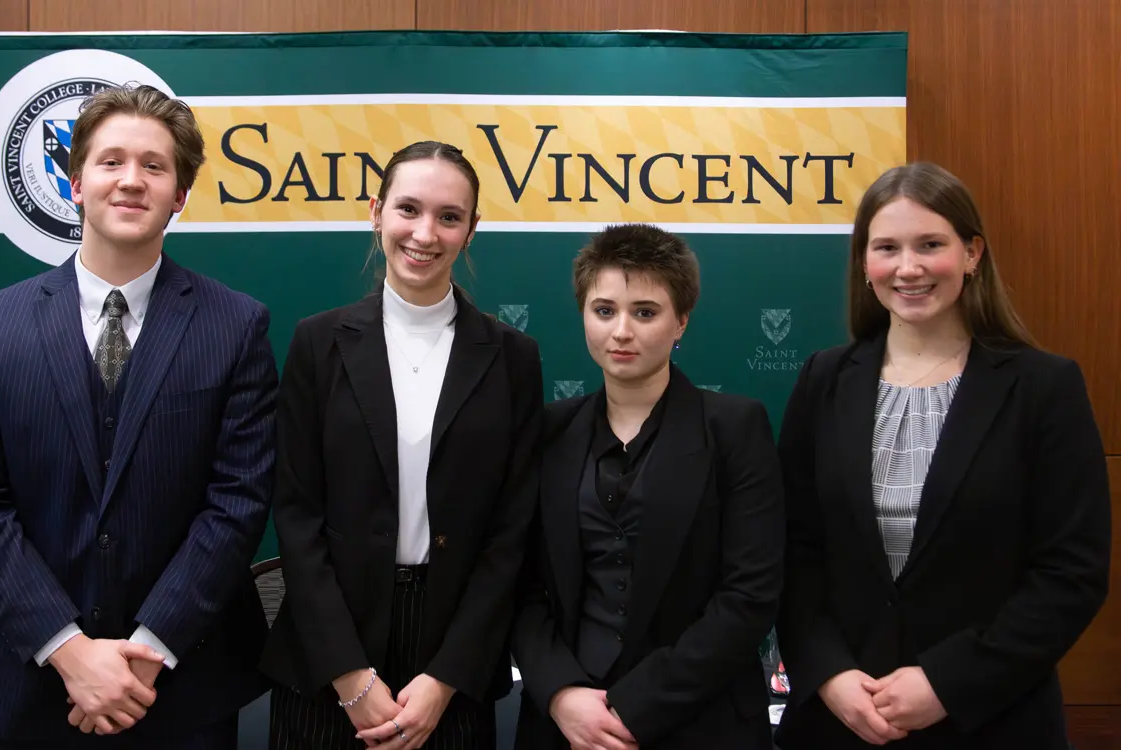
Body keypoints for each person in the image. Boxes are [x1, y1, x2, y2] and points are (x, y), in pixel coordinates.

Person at [0, 84, 278, 749]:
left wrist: (145, 653)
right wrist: (68, 651)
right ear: (75, 185)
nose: (131, 180)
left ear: (179, 195)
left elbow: (237, 503)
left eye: (154, 166)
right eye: (111, 161)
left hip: (182, 688)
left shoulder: (236, 326)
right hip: (25, 686)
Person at [774, 162, 1112, 750]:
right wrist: (828, 674)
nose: (908, 267)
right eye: (887, 248)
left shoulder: (1043, 387)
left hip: (993, 718)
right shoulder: (823, 380)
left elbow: (1071, 573)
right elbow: (792, 550)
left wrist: (950, 682)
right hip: (845, 721)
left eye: (930, 244)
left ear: (972, 252)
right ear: (864, 262)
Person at [260, 140, 544, 750]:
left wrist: (444, 678)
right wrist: (351, 678)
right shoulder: (318, 342)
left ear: (471, 230)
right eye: (408, 209)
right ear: (376, 212)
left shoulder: (513, 358)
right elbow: (296, 515)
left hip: (452, 663)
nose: (425, 232)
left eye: (449, 216)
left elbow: (510, 533)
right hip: (329, 654)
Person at [511, 223, 785, 750]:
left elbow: (750, 595)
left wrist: (635, 707)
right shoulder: (547, 432)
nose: (621, 331)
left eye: (645, 312)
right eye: (604, 310)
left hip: (702, 723)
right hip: (565, 727)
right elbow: (519, 584)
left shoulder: (735, 427)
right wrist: (561, 693)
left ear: (681, 320)